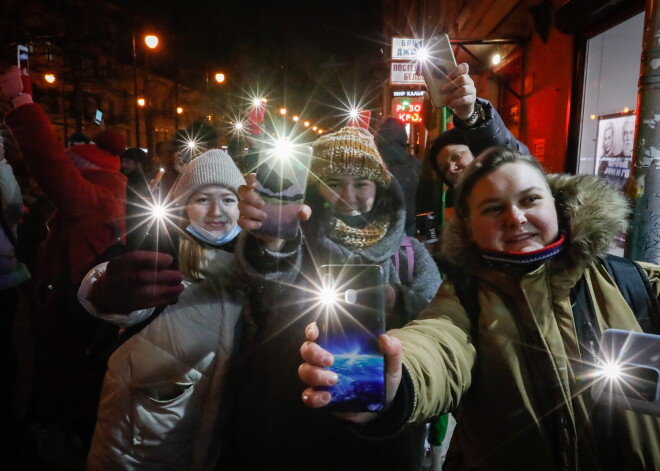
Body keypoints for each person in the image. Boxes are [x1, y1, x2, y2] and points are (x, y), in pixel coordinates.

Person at [299, 147, 660, 470]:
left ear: (557, 204)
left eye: (530, 199)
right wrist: (396, 380)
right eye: (493, 208)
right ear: (470, 227)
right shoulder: (465, 299)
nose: (515, 217)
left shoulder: (633, 282)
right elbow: (437, 343)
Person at [233, 125, 441, 470]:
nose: (349, 195)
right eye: (334, 183)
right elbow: (268, 281)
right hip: (295, 428)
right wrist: (269, 240)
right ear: (316, 189)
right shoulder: (296, 243)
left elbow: (438, 325)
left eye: (361, 183)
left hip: (385, 435)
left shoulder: (408, 254)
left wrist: (397, 300)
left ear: (381, 188)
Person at [78, 149, 246, 470]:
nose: (217, 211)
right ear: (184, 207)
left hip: (209, 441)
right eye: (202, 199)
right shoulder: (164, 251)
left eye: (228, 199)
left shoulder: (252, 266)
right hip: (139, 443)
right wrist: (104, 290)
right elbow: (116, 287)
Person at [1, 65, 127, 465]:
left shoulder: (89, 201)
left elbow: (49, 164)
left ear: (82, 173)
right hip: (72, 313)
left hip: (71, 318)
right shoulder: (102, 201)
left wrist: (23, 104)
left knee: (72, 391)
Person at [376, 117, 421, 236]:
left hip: (380, 230)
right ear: (403, 137)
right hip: (409, 227)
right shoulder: (414, 163)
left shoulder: (374, 164)